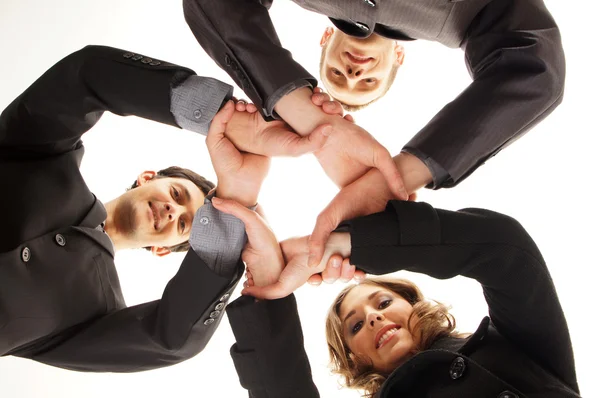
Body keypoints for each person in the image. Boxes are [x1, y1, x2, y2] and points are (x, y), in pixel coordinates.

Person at [0, 44, 331, 372]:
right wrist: (221, 116)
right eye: (176, 193)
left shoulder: (94, 314)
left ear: (161, 249)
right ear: (147, 177)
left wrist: (238, 194)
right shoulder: (45, 156)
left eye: (185, 224)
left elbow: (171, 340)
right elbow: (86, 75)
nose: (173, 210)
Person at [183, 0, 566, 266]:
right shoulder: (463, 17)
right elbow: (536, 70)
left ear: (324, 41)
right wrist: (394, 180)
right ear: (397, 56)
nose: (353, 73)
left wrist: (313, 124)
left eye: (336, 75)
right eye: (367, 82)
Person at [213, 198, 580, 397]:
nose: (373, 317)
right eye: (355, 325)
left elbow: (508, 251)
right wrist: (265, 282)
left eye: (383, 302)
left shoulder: (513, 344)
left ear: (412, 303)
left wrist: (344, 244)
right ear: (352, 356)